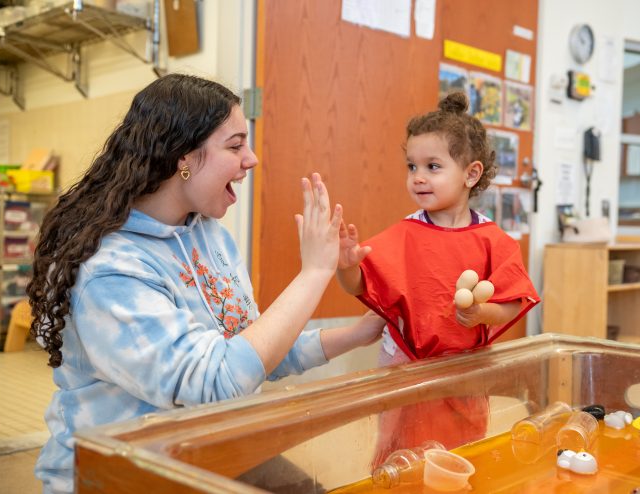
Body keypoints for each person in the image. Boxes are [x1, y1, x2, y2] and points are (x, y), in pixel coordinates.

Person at [27, 73, 384, 494]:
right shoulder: (109, 269)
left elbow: (248, 350)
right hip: (123, 475)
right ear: (183, 157)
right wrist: (314, 274)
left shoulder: (207, 233)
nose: (251, 159)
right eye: (235, 146)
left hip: (208, 452)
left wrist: (360, 333)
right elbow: (216, 384)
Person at [336, 91, 539, 463]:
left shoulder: (493, 240)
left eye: (432, 166)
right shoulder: (403, 234)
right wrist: (346, 265)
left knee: (461, 448)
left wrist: (480, 314)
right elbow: (360, 286)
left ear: (471, 174)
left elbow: (510, 304)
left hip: (465, 371)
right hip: (405, 363)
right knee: (401, 450)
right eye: (411, 167)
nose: (418, 178)